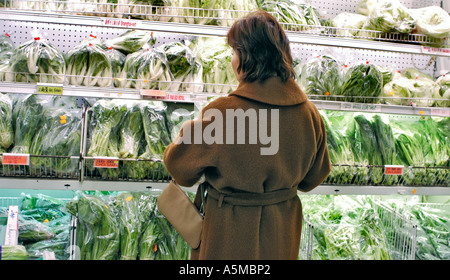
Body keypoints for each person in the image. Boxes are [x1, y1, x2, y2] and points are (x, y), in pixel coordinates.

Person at [163, 10, 331, 260]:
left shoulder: (221, 113)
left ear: (247, 58)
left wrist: (188, 131)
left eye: (234, 52)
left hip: (227, 236)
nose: (232, 59)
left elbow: (179, 169)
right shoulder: (309, 114)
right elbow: (313, 178)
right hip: (281, 235)